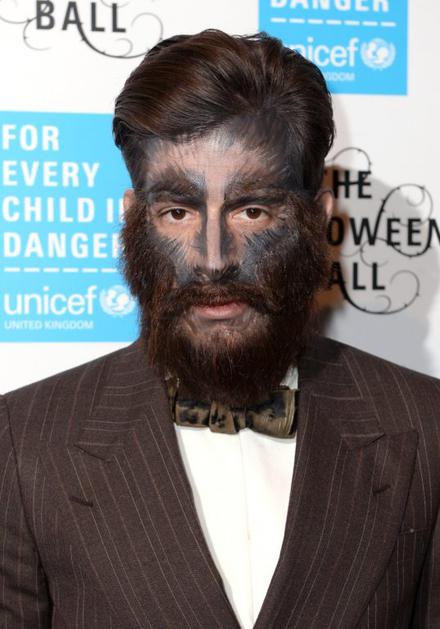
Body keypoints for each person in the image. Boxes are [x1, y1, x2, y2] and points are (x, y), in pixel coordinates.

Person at [1, 30, 439, 629]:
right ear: (133, 220)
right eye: (178, 212)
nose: (213, 259)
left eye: (252, 210)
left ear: (318, 219)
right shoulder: (24, 442)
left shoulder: (425, 428)